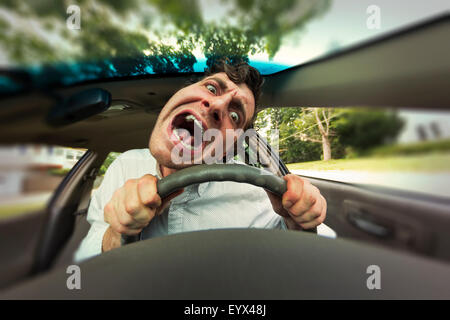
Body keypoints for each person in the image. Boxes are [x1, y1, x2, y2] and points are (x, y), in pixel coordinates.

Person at [74, 60, 330, 262]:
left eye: (234, 114)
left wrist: (300, 220)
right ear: (179, 93)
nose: (217, 105)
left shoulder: (256, 191)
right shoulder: (124, 166)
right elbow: (87, 258)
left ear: (229, 146)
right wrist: (117, 233)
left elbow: (323, 253)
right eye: (211, 87)